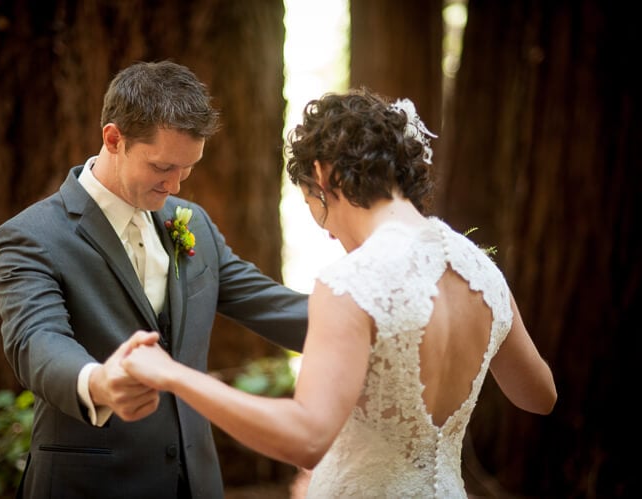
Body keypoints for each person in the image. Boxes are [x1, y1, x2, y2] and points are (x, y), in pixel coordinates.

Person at [121, 88, 558, 498]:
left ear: (320, 174)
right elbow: (539, 395)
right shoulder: (480, 269)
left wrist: (173, 374)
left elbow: (306, 438)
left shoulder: (352, 281)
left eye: (311, 203)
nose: (327, 231)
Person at [0, 60, 308, 499]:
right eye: (162, 168)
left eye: (187, 169)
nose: (175, 186)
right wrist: (99, 382)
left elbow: (269, 304)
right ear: (114, 139)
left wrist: (375, 320)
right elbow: (36, 340)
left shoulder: (191, 222)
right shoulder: (31, 236)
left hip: (196, 484)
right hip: (89, 486)